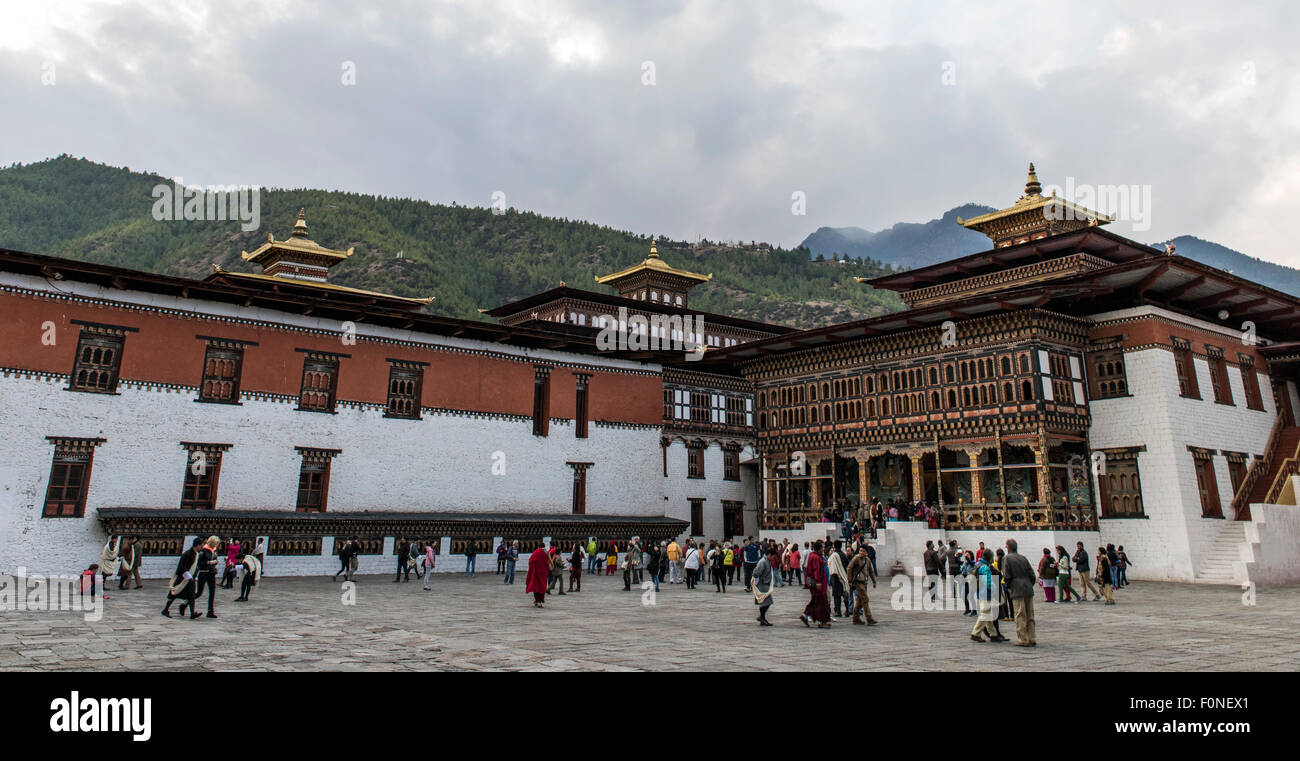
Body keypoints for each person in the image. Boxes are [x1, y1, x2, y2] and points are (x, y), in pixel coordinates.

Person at [1001, 539, 1036, 646]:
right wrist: (1029, 584)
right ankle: (1032, 637)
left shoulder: (1006, 558)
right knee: (1030, 614)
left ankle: (1023, 639)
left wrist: (1008, 587)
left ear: (1008, 547)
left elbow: (1006, 575)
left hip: (1017, 587)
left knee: (1020, 614)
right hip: (1028, 587)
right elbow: (1032, 574)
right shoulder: (1023, 557)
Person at [969, 549, 1007, 642]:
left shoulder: (978, 564)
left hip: (980, 593)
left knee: (988, 615)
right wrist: (994, 589)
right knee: (985, 615)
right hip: (986, 593)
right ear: (989, 557)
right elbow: (987, 581)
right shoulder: (985, 567)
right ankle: (975, 633)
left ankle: (993, 634)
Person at [161, 538, 202, 619]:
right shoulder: (187, 554)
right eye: (201, 545)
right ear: (197, 545)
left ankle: (192, 613)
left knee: (191, 596)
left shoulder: (196, 554)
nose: (201, 547)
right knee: (174, 594)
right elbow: (181, 567)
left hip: (190, 579)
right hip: (183, 578)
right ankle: (165, 609)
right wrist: (187, 575)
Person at [800, 540, 832, 628]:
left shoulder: (813, 555)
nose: (823, 549)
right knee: (823, 603)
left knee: (815, 602)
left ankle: (805, 615)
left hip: (814, 584)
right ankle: (822, 621)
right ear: (819, 549)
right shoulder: (816, 558)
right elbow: (816, 570)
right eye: (822, 548)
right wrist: (818, 582)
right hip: (819, 584)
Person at [846, 544, 877, 625]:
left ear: (866, 552)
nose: (861, 552)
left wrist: (874, 581)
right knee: (865, 599)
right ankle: (869, 618)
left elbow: (871, 571)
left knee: (860, 601)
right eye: (860, 550)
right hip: (857, 582)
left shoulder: (867, 560)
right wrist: (849, 580)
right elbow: (849, 568)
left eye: (863, 551)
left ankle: (855, 618)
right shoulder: (856, 558)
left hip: (864, 582)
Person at [194, 536, 221, 619]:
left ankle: (210, 611)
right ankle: (185, 604)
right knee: (199, 593)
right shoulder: (204, 551)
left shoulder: (214, 550)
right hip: (204, 573)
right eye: (214, 544)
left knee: (212, 592)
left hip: (211, 573)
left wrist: (215, 562)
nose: (215, 545)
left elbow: (215, 560)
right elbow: (199, 563)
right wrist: (209, 562)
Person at [752, 546, 778, 626]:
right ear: (769, 554)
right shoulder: (762, 562)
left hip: (766, 583)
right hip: (762, 583)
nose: (773, 558)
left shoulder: (767, 561)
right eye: (773, 556)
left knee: (765, 602)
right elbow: (756, 573)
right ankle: (762, 617)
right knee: (767, 602)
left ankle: (762, 618)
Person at [827, 540, 849, 618]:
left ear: (834, 546)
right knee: (845, 593)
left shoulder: (833, 556)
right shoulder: (843, 554)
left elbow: (832, 568)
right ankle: (847, 610)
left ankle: (838, 611)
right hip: (843, 576)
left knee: (836, 595)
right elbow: (847, 565)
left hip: (835, 577)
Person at [922, 540, 941, 605]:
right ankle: (934, 596)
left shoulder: (925, 553)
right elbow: (937, 561)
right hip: (934, 569)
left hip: (929, 570)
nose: (934, 545)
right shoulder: (933, 553)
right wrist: (942, 569)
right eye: (932, 544)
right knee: (934, 583)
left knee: (931, 583)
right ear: (930, 545)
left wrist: (926, 570)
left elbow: (925, 562)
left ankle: (934, 596)